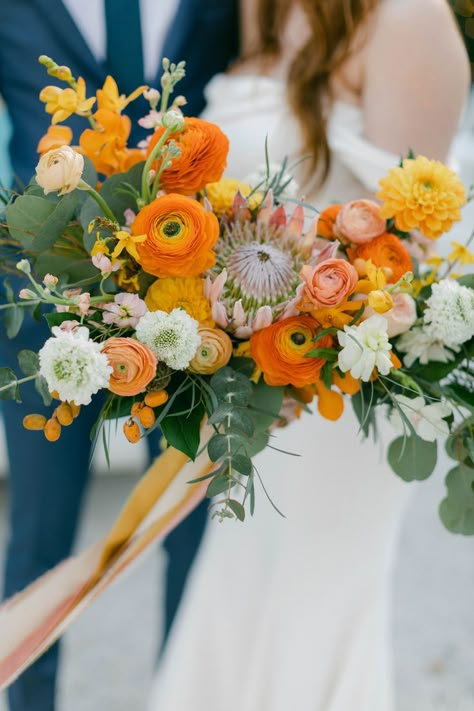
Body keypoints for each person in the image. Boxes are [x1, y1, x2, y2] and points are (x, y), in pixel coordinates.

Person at [148, 1, 470, 709]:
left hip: (344, 391)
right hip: (254, 387)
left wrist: (288, 341)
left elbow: (409, 256)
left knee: (311, 610)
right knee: (238, 594)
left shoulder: (409, 20)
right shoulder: (257, 8)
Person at [0, 1, 239, 710]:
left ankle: (181, 693)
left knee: (192, 527)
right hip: (43, 310)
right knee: (39, 537)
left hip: (190, 301)